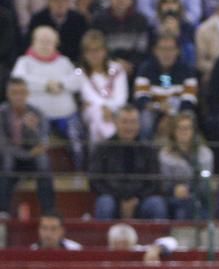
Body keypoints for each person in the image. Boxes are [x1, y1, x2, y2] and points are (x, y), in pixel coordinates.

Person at [13, 26, 84, 170]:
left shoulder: (64, 61)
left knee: (78, 143)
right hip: (36, 117)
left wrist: (60, 84)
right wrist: (46, 85)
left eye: (49, 42)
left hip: (66, 116)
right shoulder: (24, 61)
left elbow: (78, 80)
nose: (45, 45)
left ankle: (80, 173)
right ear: (33, 42)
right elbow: (19, 81)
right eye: (41, 41)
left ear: (56, 43)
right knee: (37, 146)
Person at [90, 105, 167, 220]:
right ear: (115, 123)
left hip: (141, 200)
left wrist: (136, 199)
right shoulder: (103, 148)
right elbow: (95, 181)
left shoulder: (148, 149)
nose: (129, 127)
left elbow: (154, 182)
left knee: (156, 204)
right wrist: (120, 199)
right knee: (105, 203)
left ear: (139, 124)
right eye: (124, 122)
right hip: (113, 199)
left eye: (133, 122)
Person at [0, 78, 54, 220]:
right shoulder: (2, 113)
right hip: (8, 160)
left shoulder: (37, 113)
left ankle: (48, 212)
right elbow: (3, 146)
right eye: (14, 93)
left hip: (31, 161)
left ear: (28, 94)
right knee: (7, 160)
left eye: (22, 93)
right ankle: (3, 212)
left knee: (43, 161)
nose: (18, 97)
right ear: (7, 94)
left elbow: (43, 142)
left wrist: (33, 130)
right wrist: (28, 153)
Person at [133, 32, 199, 140]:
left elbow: (189, 99)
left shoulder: (187, 70)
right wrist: (159, 107)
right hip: (154, 110)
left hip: (179, 110)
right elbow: (141, 98)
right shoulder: (145, 69)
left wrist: (171, 114)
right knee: (145, 118)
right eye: (162, 49)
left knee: (188, 116)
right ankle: (146, 150)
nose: (166, 53)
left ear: (177, 51)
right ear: (155, 51)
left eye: (170, 49)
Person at [158, 111, 214, 220]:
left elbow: (206, 182)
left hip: (197, 196)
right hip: (172, 197)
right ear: (173, 132)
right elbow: (163, 182)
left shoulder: (205, 154)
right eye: (180, 128)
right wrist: (174, 190)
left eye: (187, 128)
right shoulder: (165, 155)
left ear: (194, 131)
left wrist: (190, 190)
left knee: (196, 205)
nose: (184, 132)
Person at [77, 30, 127, 146]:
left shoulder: (117, 69)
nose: (94, 55)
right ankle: (114, 145)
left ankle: (98, 156)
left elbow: (122, 97)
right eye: (89, 51)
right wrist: (104, 108)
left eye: (97, 50)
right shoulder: (80, 73)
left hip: (116, 110)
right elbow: (89, 96)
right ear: (84, 54)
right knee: (97, 113)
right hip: (92, 112)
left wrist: (109, 108)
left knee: (96, 124)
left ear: (105, 51)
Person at [92, 0, 151, 77]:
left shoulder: (141, 20)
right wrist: (115, 63)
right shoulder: (98, 21)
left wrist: (130, 65)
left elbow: (143, 49)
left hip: (135, 70)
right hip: (107, 67)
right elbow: (96, 47)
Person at [26, 0, 89, 67]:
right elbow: (30, 44)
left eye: (64, 0)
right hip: (42, 63)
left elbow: (83, 47)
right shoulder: (38, 19)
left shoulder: (79, 19)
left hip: (73, 63)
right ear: (48, 2)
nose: (60, 3)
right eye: (55, 0)